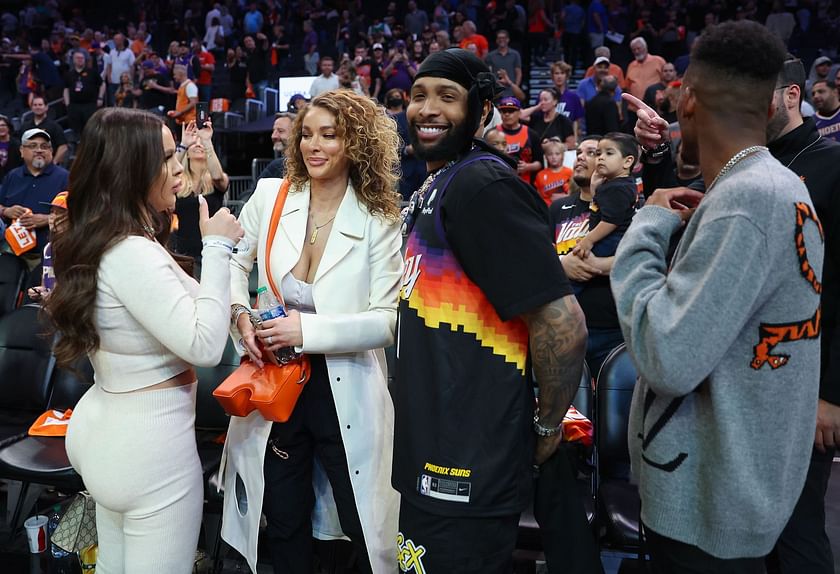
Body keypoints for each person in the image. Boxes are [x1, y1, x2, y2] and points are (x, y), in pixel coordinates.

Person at [612, 21, 823, 572]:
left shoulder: (744, 202)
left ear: (686, 101)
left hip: (706, 506)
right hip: (732, 489)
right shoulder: (782, 185)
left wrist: (648, 227)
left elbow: (666, 356)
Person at [394, 47, 587, 574]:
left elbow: (562, 324)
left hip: (466, 462)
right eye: (418, 95)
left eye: (447, 97)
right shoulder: (440, 181)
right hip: (433, 451)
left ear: (482, 113)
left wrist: (546, 428)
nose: (427, 108)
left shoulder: (483, 186)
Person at [47, 107, 243, 573]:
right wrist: (217, 246)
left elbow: (191, 303)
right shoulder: (131, 250)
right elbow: (203, 345)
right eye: (168, 158)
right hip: (147, 449)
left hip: (114, 433)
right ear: (130, 168)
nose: (179, 168)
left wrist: (239, 312)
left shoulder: (107, 236)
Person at [223, 90, 403, 574]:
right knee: (283, 518)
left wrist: (308, 330)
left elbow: (388, 320)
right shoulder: (270, 194)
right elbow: (234, 263)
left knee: (362, 524)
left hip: (343, 385)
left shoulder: (380, 218)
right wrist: (241, 315)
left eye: (330, 135)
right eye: (307, 134)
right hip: (276, 382)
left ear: (358, 144)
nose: (313, 146)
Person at [761, 57, 840, 574]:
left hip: (807, 382)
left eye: (756, 94)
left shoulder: (832, 164)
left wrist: (831, 396)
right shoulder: (749, 162)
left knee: (794, 528)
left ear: (791, 95)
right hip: (752, 377)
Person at [0, 129, 69, 267]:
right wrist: (6, 211)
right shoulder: (12, 176)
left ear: (51, 151)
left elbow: (78, 214)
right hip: (11, 254)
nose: (39, 150)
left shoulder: (65, 178)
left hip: (50, 256)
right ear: (21, 150)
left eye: (44, 146)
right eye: (32, 146)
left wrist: (47, 219)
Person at [571, 132, 637, 263]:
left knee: (578, 262)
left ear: (627, 161)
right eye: (598, 153)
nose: (601, 158)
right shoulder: (613, 185)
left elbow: (610, 221)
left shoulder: (619, 188)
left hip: (613, 240)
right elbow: (601, 208)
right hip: (608, 238)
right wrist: (595, 189)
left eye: (609, 153)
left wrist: (588, 240)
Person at [171, 120, 228, 261]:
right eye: (194, 142)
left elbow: (218, 176)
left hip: (212, 250)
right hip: (183, 252)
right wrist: (183, 145)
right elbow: (166, 175)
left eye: (200, 142)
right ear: (187, 154)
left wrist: (207, 141)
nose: (198, 144)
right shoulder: (178, 182)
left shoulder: (216, 180)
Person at [27, 190, 68, 302]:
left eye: (60, 213)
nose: (53, 217)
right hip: (49, 310)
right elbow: (46, 286)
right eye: (52, 212)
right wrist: (40, 291)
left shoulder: (79, 249)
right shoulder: (48, 248)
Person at [496, 96, 543, 184]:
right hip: (500, 183)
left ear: (519, 112)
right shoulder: (493, 134)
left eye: (511, 111)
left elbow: (540, 163)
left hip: (525, 184)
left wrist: (527, 166)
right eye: (504, 111)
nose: (507, 114)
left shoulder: (531, 134)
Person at [63, 49, 104, 137]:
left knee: (91, 129)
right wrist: (67, 104)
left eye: (82, 58)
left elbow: (102, 84)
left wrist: (100, 98)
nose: (80, 59)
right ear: (73, 60)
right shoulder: (69, 74)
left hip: (90, 105)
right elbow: (66, 89)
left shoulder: (92, 72)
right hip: (74, 106)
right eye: (77, 58)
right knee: (76, 131)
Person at [20, 95, 68, 165]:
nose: (37, 107)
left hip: (48, 166)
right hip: (30, 166)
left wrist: (54, 162)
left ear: (46, 107)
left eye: (40, 105)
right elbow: (21, 145)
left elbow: (63, 146)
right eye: (35, 105)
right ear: (31, 108)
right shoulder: (25, 126)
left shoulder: (54, 126)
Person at [534, 137, 572, 206]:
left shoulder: (569, 172)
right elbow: (538, 197)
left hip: (565, 207)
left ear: (562, 155)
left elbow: (576, 193)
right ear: (545, 157)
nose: (554, 157)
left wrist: (565, 197)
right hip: (547, 210)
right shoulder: (540, 175)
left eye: (557, 154)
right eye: (550, 154)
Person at [258, 112, 294, 180]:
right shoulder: (277, 165)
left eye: (280, 131)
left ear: (296, 134)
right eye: (273, 131)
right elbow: (255, 189)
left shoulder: (308, 165)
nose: (273, 136)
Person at [0, 114, 21, 181]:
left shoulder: (17, 144)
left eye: (3, 125)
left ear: (8, 127)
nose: (1, 128)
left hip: (13, 179)